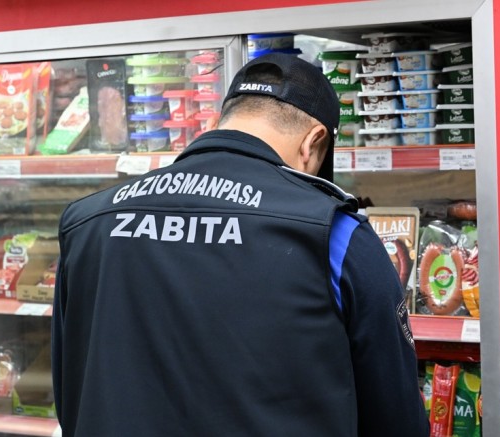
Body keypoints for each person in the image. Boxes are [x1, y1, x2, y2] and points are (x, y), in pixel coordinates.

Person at [52, 53, 428, 437]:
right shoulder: (336, 235)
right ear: (313, 142)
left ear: (222, 121)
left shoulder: (87, 222)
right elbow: (397, 420)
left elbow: (72, 394)